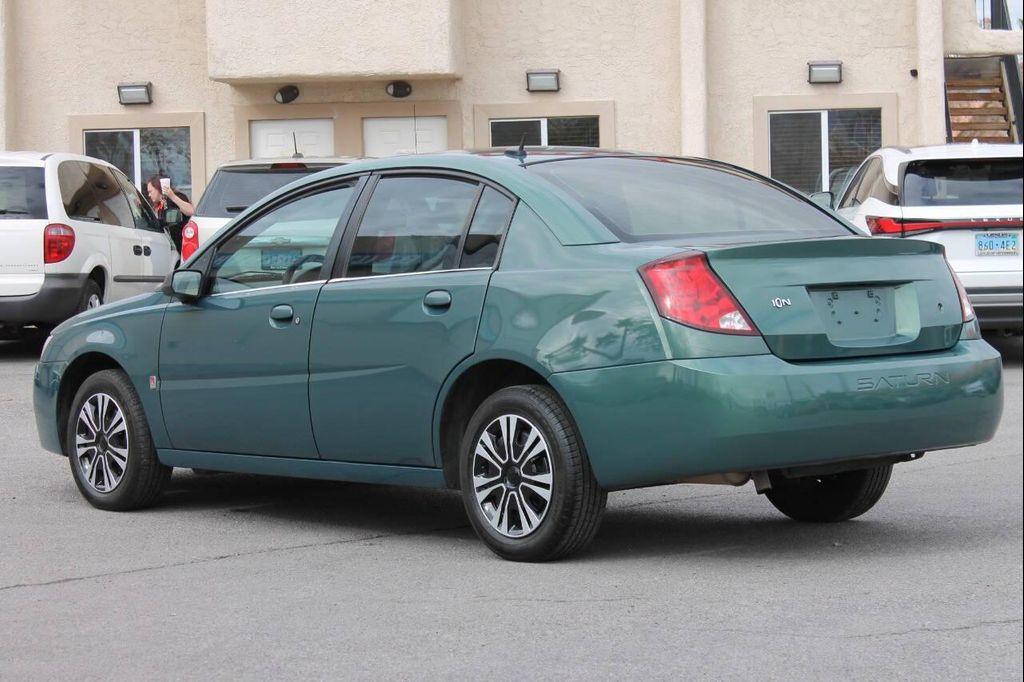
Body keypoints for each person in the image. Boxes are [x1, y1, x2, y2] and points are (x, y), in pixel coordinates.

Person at [145, 175, 194, 252]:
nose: (149, 195)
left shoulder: (177, 196)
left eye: (150, 191)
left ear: (158, 188)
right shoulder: (160, 206)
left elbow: (191, 211)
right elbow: (161, 223)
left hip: (187, 245)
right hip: (175, 249)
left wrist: (172, 196)